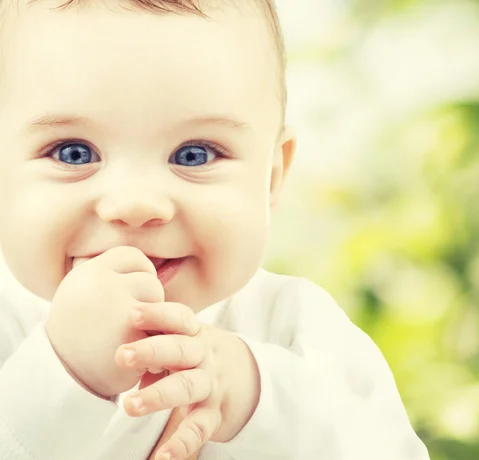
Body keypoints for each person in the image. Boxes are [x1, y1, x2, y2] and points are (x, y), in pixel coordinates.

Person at [0, 1, 431, 459]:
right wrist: (61, 374)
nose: (136, 205)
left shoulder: (297, 330)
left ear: (270, 177)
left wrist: (258, 398)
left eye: (194, 155)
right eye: (73, 153)